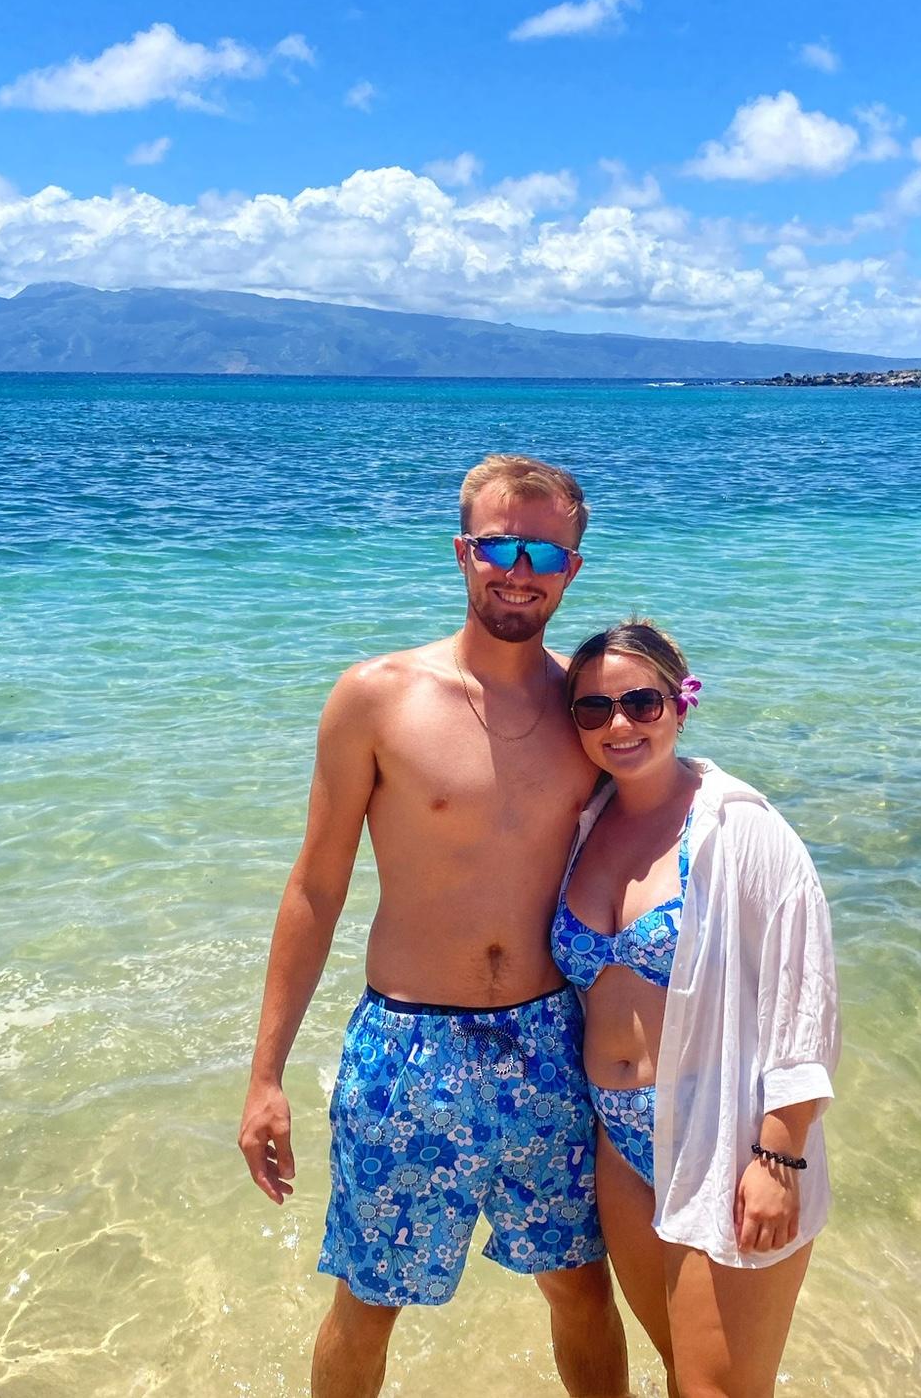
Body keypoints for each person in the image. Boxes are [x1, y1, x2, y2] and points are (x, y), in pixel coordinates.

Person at [238, 455, 629, 1398]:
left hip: (550, 1043)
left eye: (544, 550)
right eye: (499, 545)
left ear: (572, 569)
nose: (518, 569)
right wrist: (264, 1077)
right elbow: (315, 887)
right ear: (463, 552)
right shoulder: (376, 697)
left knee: (581, 1289)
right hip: (408, 1045)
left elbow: (654, 859)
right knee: (368, 1298)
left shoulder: (593, 713)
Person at [550, 619, 840, 1398]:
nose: (618, 724)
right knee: (682, 1370)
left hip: (724, 1141)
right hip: (621, 1144)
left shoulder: (738, 827)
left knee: (719, 1391)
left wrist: (780, 1154)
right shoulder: (585, 825)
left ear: (682, 704)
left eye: (641, 703)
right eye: (592, 710)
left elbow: (803, 996)